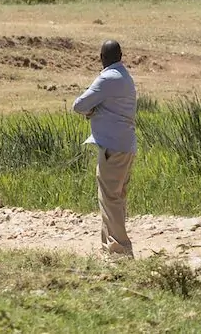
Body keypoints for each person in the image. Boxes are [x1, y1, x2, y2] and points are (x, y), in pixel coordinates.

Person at [71, 40, 138, 258]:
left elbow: (79, 105)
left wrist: (93, 111)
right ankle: (108, 248)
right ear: (121, 55)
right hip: (126, 145)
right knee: (116, 198)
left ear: (102, 57)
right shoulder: (126, 77)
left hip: (112, 147)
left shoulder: (107, 78)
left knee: (110, 199)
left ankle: (120, 250)